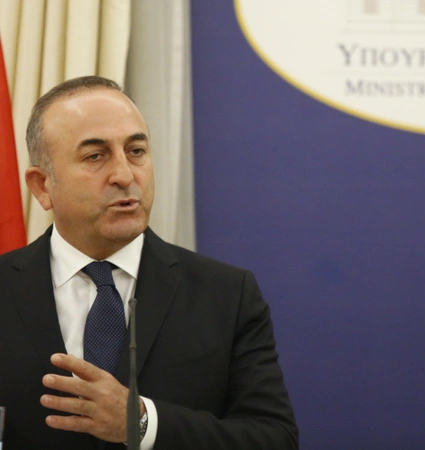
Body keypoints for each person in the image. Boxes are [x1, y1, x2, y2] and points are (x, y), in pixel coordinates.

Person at [0, 76, 298, 449]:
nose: (125, 175)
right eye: (95, 156)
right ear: (43, 186)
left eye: (136, 151)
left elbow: (274, 439)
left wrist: (142, 423)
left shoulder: (227, 294)